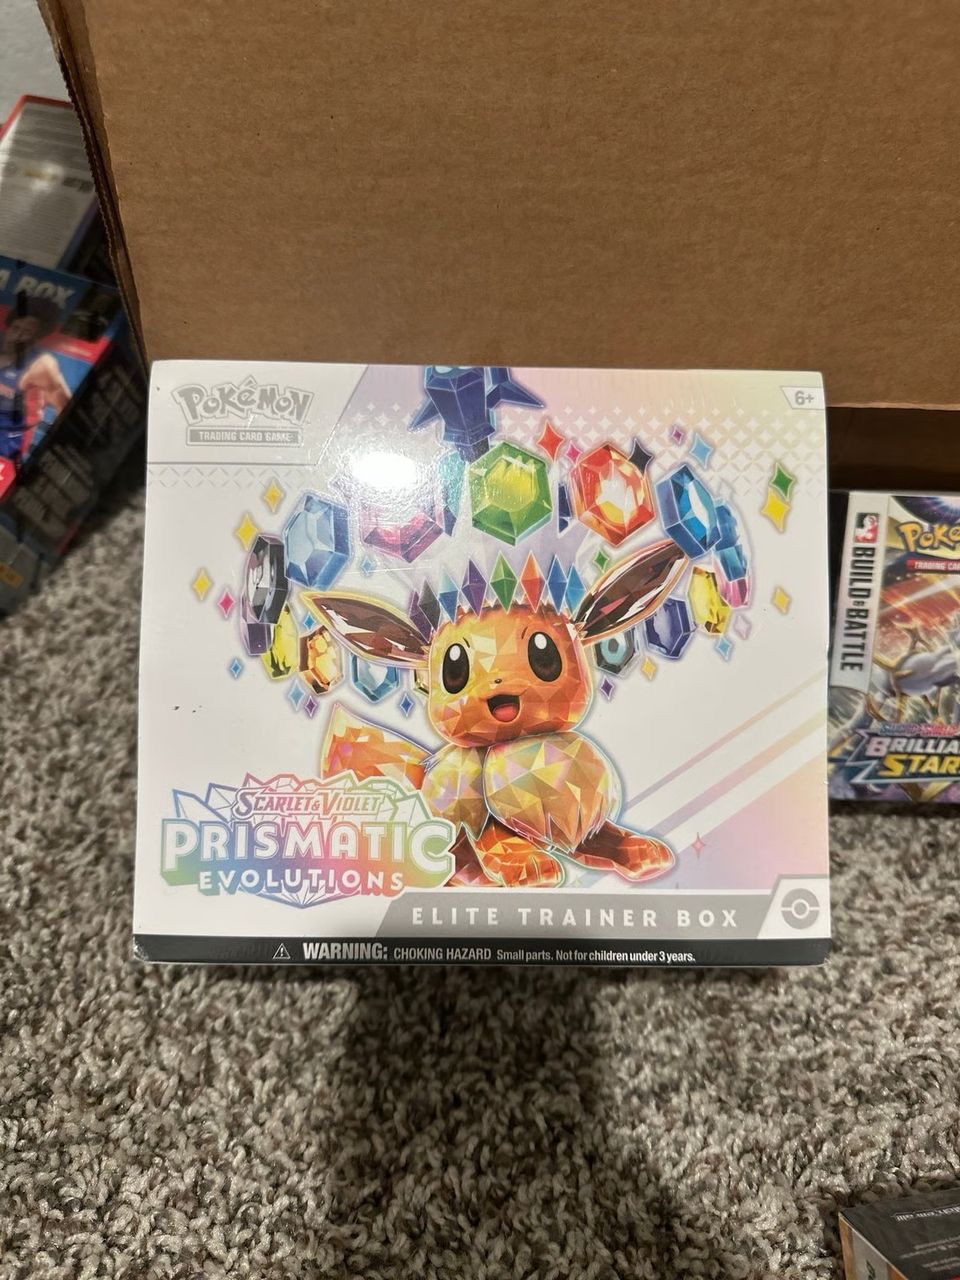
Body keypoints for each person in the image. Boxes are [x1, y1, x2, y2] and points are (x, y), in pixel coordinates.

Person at [0, 295, 72, 465]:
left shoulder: (42, 365)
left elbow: (67, 408)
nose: (17, 336)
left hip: (7, 444)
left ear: (37, 337)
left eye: (26, 332)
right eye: (15, 328)